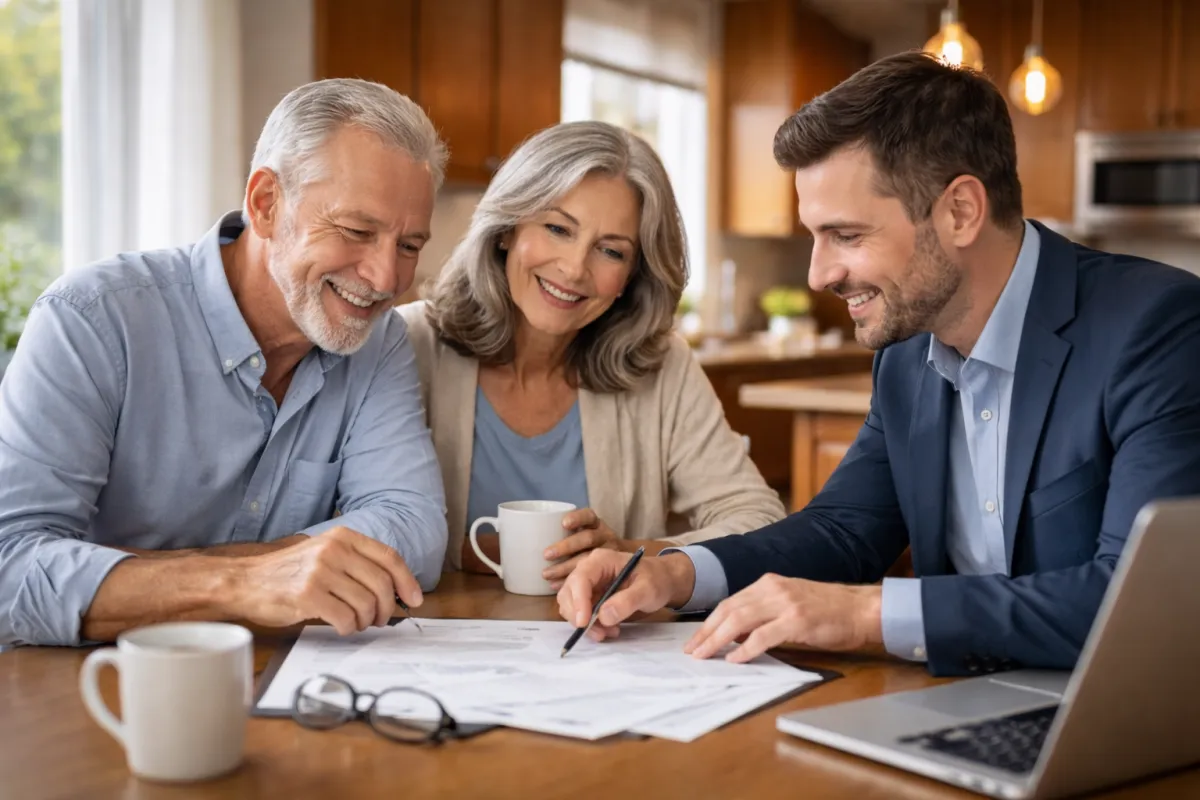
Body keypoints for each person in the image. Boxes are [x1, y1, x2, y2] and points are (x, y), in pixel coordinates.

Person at [558, 52, 1200, 677]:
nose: (819, 274)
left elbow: (1138, 598)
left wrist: (866, 613)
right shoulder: (906, 353)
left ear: (960, 211)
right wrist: (674, 573)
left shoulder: (1158, 328)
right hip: (962, 702)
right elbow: (843, 531)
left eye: (846, 235)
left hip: (1119, 713)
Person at [0, 79, 451, 647]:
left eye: (409, 246)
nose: (386, 278)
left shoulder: (377, 340)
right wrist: (243, 582)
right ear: (266, 204)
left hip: (273, 672)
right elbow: (10, 568)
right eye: (357, 231)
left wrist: (144, 576)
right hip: (90, 680)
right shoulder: (92, 317)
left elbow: (413, 529)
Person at [399, 120, 785, 587]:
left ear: (632, 277)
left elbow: (758, 518)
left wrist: (630, 554)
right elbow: (346, 519)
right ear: (506, 230)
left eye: (611, 251)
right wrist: (465, 553)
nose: (574, 268)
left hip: (602, 629)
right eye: (557, 228)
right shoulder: (406, 345)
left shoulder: (663, 366)